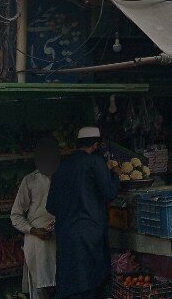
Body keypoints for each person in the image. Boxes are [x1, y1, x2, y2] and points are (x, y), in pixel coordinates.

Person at [47, 126, 120, 299]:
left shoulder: (61, 167)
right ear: (96, 145)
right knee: (90, 282)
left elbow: (50, 206)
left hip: (66, 237)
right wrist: (115, 175)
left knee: (70, 283)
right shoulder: (95, 163)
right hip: (89, 235)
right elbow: (109, 192)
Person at [11, 136, 60, 299]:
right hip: (38, 241)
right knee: (40, 288)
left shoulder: (64, 177)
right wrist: (33, 230)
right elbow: (16, 215)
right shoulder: (30, 180)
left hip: (61, 237)